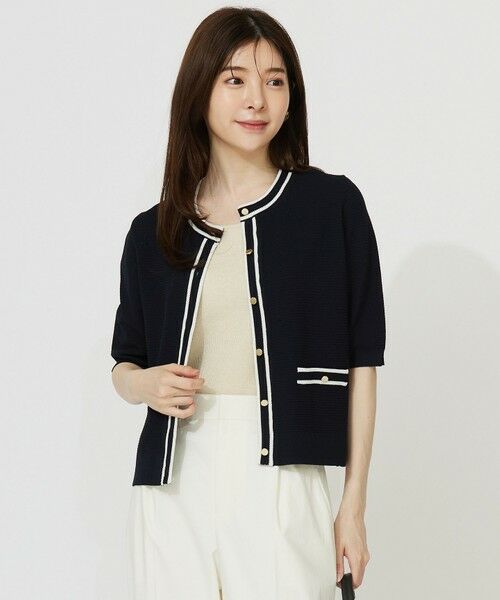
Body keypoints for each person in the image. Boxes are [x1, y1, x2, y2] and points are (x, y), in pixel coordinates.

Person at [110, 7, 386, 600]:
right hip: (172, 479)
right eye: (235, 79)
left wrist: (353, 505)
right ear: (200, 90)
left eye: (275, 80)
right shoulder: (152, 231)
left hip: (280, 475)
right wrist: (144, 384)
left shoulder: (331, 206)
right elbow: (124, 363)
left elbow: (363, 360)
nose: (257, 98)